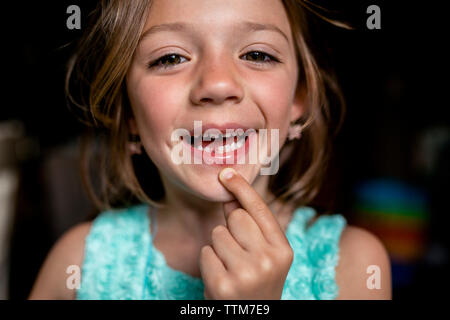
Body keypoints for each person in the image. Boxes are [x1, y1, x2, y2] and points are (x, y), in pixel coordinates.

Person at [29, 0, 391, 300]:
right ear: (129, 115)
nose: (218, 84)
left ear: (299, 100)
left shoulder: (354, 265)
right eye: (170, 58)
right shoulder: (75, 263)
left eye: (258, 54)